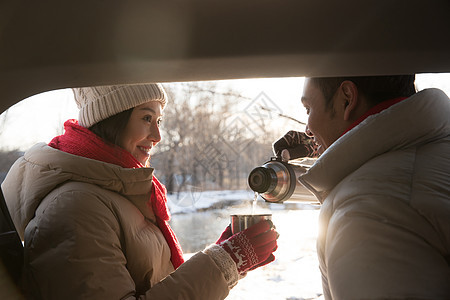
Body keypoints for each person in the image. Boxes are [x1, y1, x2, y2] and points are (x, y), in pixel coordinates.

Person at [1, 83, 278, 299]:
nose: (157, 136)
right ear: (113, 119)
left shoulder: (115, 195)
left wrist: (225, 258)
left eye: (159, 121)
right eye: (147, 118)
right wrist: (227, 261)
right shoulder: (75, 207)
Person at [273, 75, 450, 299]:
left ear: (347, 99)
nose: (307, 129)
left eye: (308, 109)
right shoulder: (436, 147)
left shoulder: (365, 215)